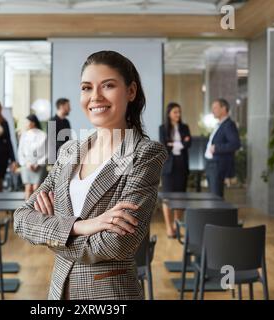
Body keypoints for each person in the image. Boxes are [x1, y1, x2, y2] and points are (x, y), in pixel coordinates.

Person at [14, 50, 167, 300]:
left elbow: (118, 244)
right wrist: (82, 226)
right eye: (86, 88)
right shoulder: (69, 151)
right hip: (58, 292)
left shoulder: (144, 154)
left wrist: (50, 234)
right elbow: (21, 219)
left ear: (131, 91)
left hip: (109, 296)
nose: (95, 97)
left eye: (108, 85)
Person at [159, 102, 192, 238]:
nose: (178, 114)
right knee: (167, 198)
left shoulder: (185, 127)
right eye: (175, 112)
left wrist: (173, 143)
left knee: (180, 197)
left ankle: (176, 226)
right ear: (169, 114)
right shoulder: (163, 128)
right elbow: (164, 146)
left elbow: (189, 144)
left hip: (182, 166)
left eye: (179, 112)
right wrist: (180, 143)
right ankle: (169, 227)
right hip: (168, 167)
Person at [204, 98, 241, 198]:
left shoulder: (229, 125)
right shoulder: (219, 125)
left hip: (218, 165)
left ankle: (217, 214)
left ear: (223, 109)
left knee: (216, 196)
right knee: (212, 195)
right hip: (211, 164)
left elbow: (235, 144)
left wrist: (217, 148)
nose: (212, 111)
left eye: (215, 108)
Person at [18, 114, 48, 200]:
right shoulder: (24, 135)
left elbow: (47, 152)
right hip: (27, 164)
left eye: (27, 122)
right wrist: (27, 163)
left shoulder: (43, 135)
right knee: (28, 188)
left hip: (39, 165)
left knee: (36, 188)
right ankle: (26, 211)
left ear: (33, 123)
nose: (25, 125)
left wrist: (38, 164)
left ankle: (36, 211)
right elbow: (20, 151)